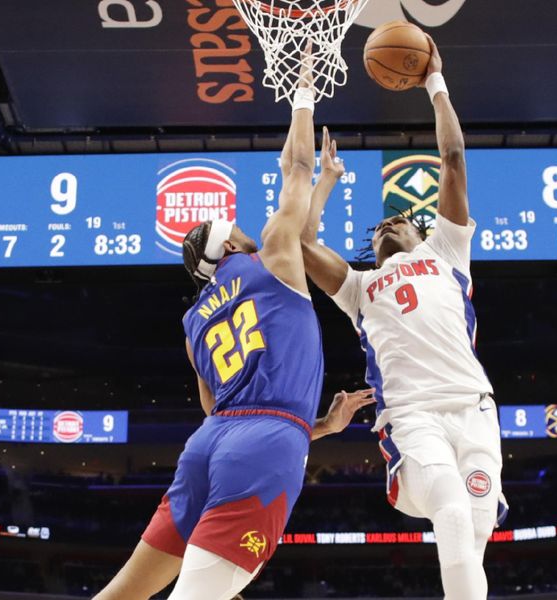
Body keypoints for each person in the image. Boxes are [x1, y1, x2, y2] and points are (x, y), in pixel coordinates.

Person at [93, 48, 374, 600]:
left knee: (119, 594)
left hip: (209, 445)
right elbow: (295, 170)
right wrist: (303, 96)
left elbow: (217, 410)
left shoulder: (194, 320)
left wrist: (317, 427)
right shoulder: (271, 252)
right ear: (232, 243)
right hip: (263, 444)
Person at [300, 37, 506, 600]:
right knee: (449, 505)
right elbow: (298, 240)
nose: (387, 225)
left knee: (476, 526)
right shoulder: (358, 286)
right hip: (412, 417)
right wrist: (323, 184)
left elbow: (454, 160)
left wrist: (435, 84)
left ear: (422, 232)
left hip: (474, 408)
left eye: (399, 221)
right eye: (377, 229)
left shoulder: (447, 252)